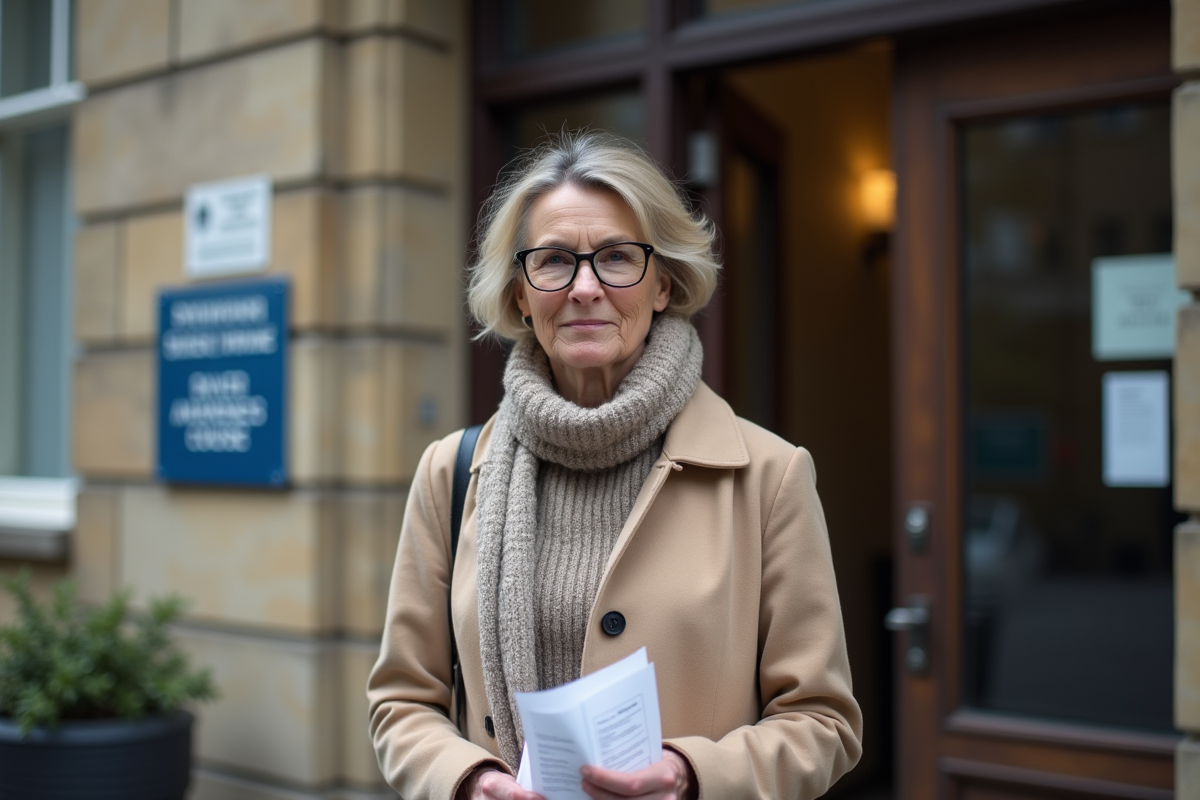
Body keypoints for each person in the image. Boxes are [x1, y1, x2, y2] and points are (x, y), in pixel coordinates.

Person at [367, 131, 862, 800]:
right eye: (553, 261)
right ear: (519, 293)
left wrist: (693, 777)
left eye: (617, 258)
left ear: (663, 284)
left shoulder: (770, 476)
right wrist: (468, 781)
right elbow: (401, 702)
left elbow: (824, 722)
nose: (584, 287)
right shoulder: (449, 472)